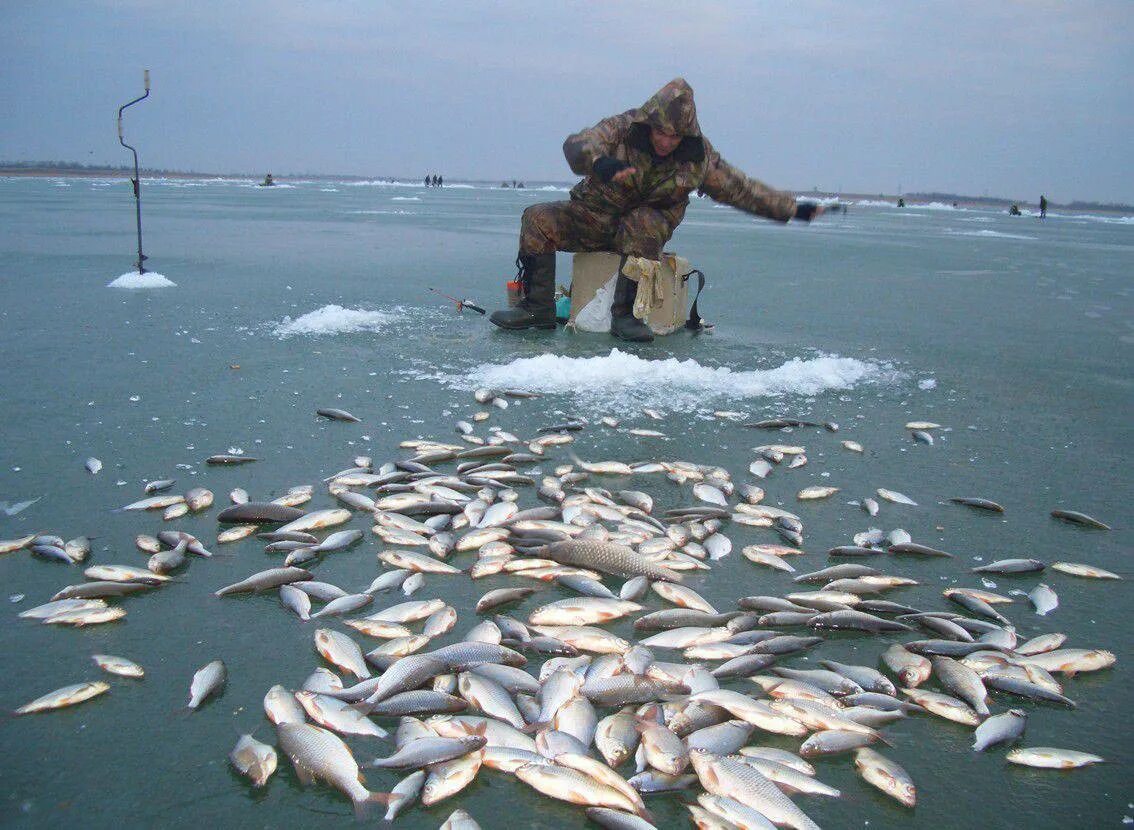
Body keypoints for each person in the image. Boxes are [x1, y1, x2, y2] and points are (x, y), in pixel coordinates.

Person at [489, 78, 824, 341]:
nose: (666, 141)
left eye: (675, 136)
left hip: (642, 237)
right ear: (649, 122)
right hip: (594, 218)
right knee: (537, 218)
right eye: (661, 131)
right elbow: (577, 144)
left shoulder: (698, 158)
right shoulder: (623, 127)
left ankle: (626, 315)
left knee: (644, 221)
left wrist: (794, 210)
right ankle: (537, 309)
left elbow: (742, 189)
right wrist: (599, 161)